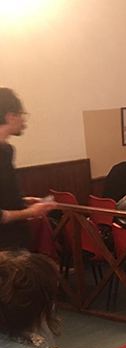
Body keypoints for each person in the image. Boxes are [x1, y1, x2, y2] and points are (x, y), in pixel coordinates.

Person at [0, 88, 56, 251]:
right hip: (6, 246)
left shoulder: (6, 150)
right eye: (21, 114)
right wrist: (31, 212)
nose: (24, 121)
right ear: (10, 116)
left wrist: (22, 201)